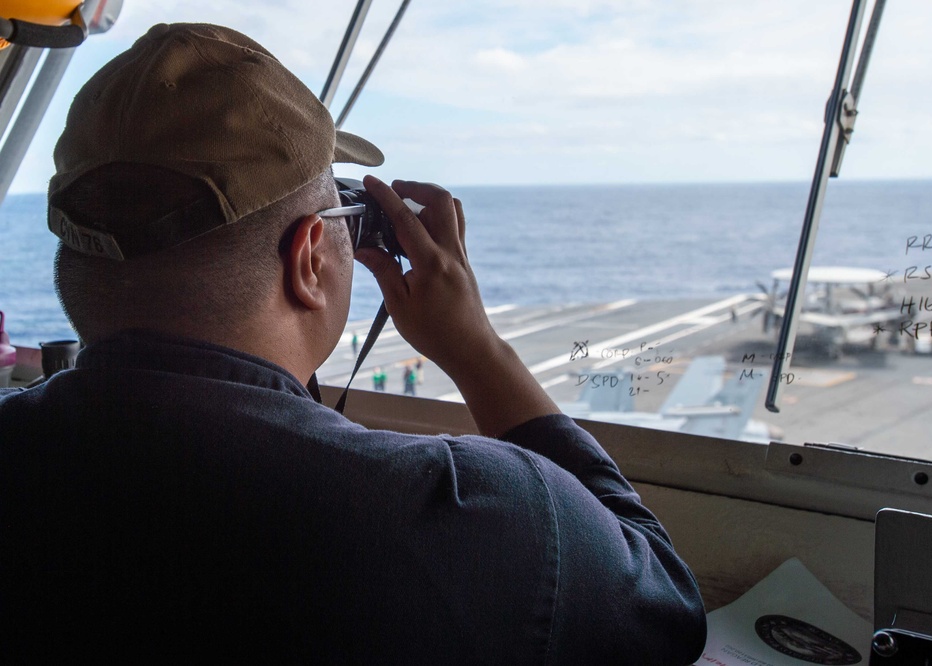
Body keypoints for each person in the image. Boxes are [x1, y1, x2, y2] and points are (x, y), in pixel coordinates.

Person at [0, 23, 706, 664]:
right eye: (340, 209)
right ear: (310, 258)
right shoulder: (481, 522)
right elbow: (664, 613)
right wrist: (475, 348)